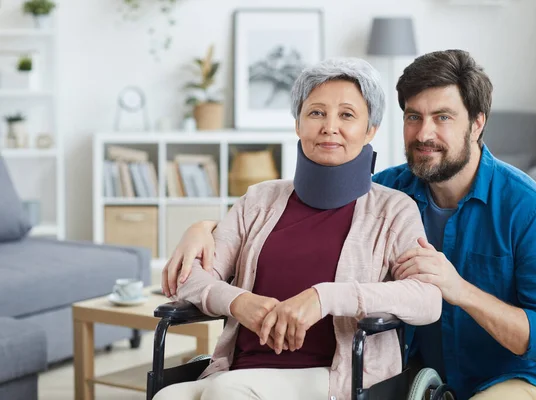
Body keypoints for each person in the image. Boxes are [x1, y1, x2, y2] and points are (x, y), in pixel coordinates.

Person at [162, 49, 536, 400]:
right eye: (414, 117)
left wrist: (460, 290)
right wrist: (204, 227)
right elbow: (319, 207)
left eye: (443, 117)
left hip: (513, 375)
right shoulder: (390, 189)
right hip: (423, 372)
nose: (424, 133)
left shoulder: (529, 209)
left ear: (478, 122)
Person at [154, 57, 442, 400]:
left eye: (347, 115)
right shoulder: (259, 200)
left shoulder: (393, 210)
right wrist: (238, 302)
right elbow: (194, 277)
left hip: (335, 378)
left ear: (370, 130)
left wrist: (325, 297)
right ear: (298, 123)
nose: (329, 127)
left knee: (226, 392)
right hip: (240, 368)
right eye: (316, 112)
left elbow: (427, 298)